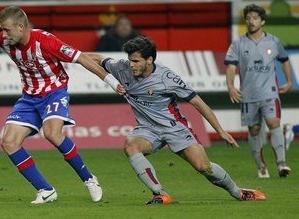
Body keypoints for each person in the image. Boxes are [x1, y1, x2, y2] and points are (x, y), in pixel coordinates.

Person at [0, 6, 125, 204]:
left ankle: (89, 179)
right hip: (29, 97)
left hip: (54, 93)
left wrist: (111, 81)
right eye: (1, 29)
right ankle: (45, 190)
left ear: (21, 27)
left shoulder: (46, 42)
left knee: (52, 133)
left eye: (6, 29)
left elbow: (81, 58)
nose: (2, 34)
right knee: (9, 142)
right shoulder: (4, 39)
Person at [86, 36, 266, 205]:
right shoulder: (122, 67)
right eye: (130, 60)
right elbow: (97, 58)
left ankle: (238, 192)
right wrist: (69, 55)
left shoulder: (167, 78)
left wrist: (220, 131)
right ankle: (160, 193)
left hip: (174, 127)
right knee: (131, 146)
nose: (131, 65)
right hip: (147, 129)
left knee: (203, 166)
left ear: (149, 60)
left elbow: (198, 103)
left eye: (136, 61)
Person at [224, 4, 292, 178]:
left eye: (254, 18)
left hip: (270, 93)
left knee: (274, 123)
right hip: (248, 95)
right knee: (254, 130)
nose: (251, 21)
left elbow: (284, 60)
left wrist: (289, 81)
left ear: (262, 21)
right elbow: (231, 67)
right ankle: (261, 166)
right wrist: (231, 86)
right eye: (248, 18)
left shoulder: (274, 41)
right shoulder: (239, 43)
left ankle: (282, 164)